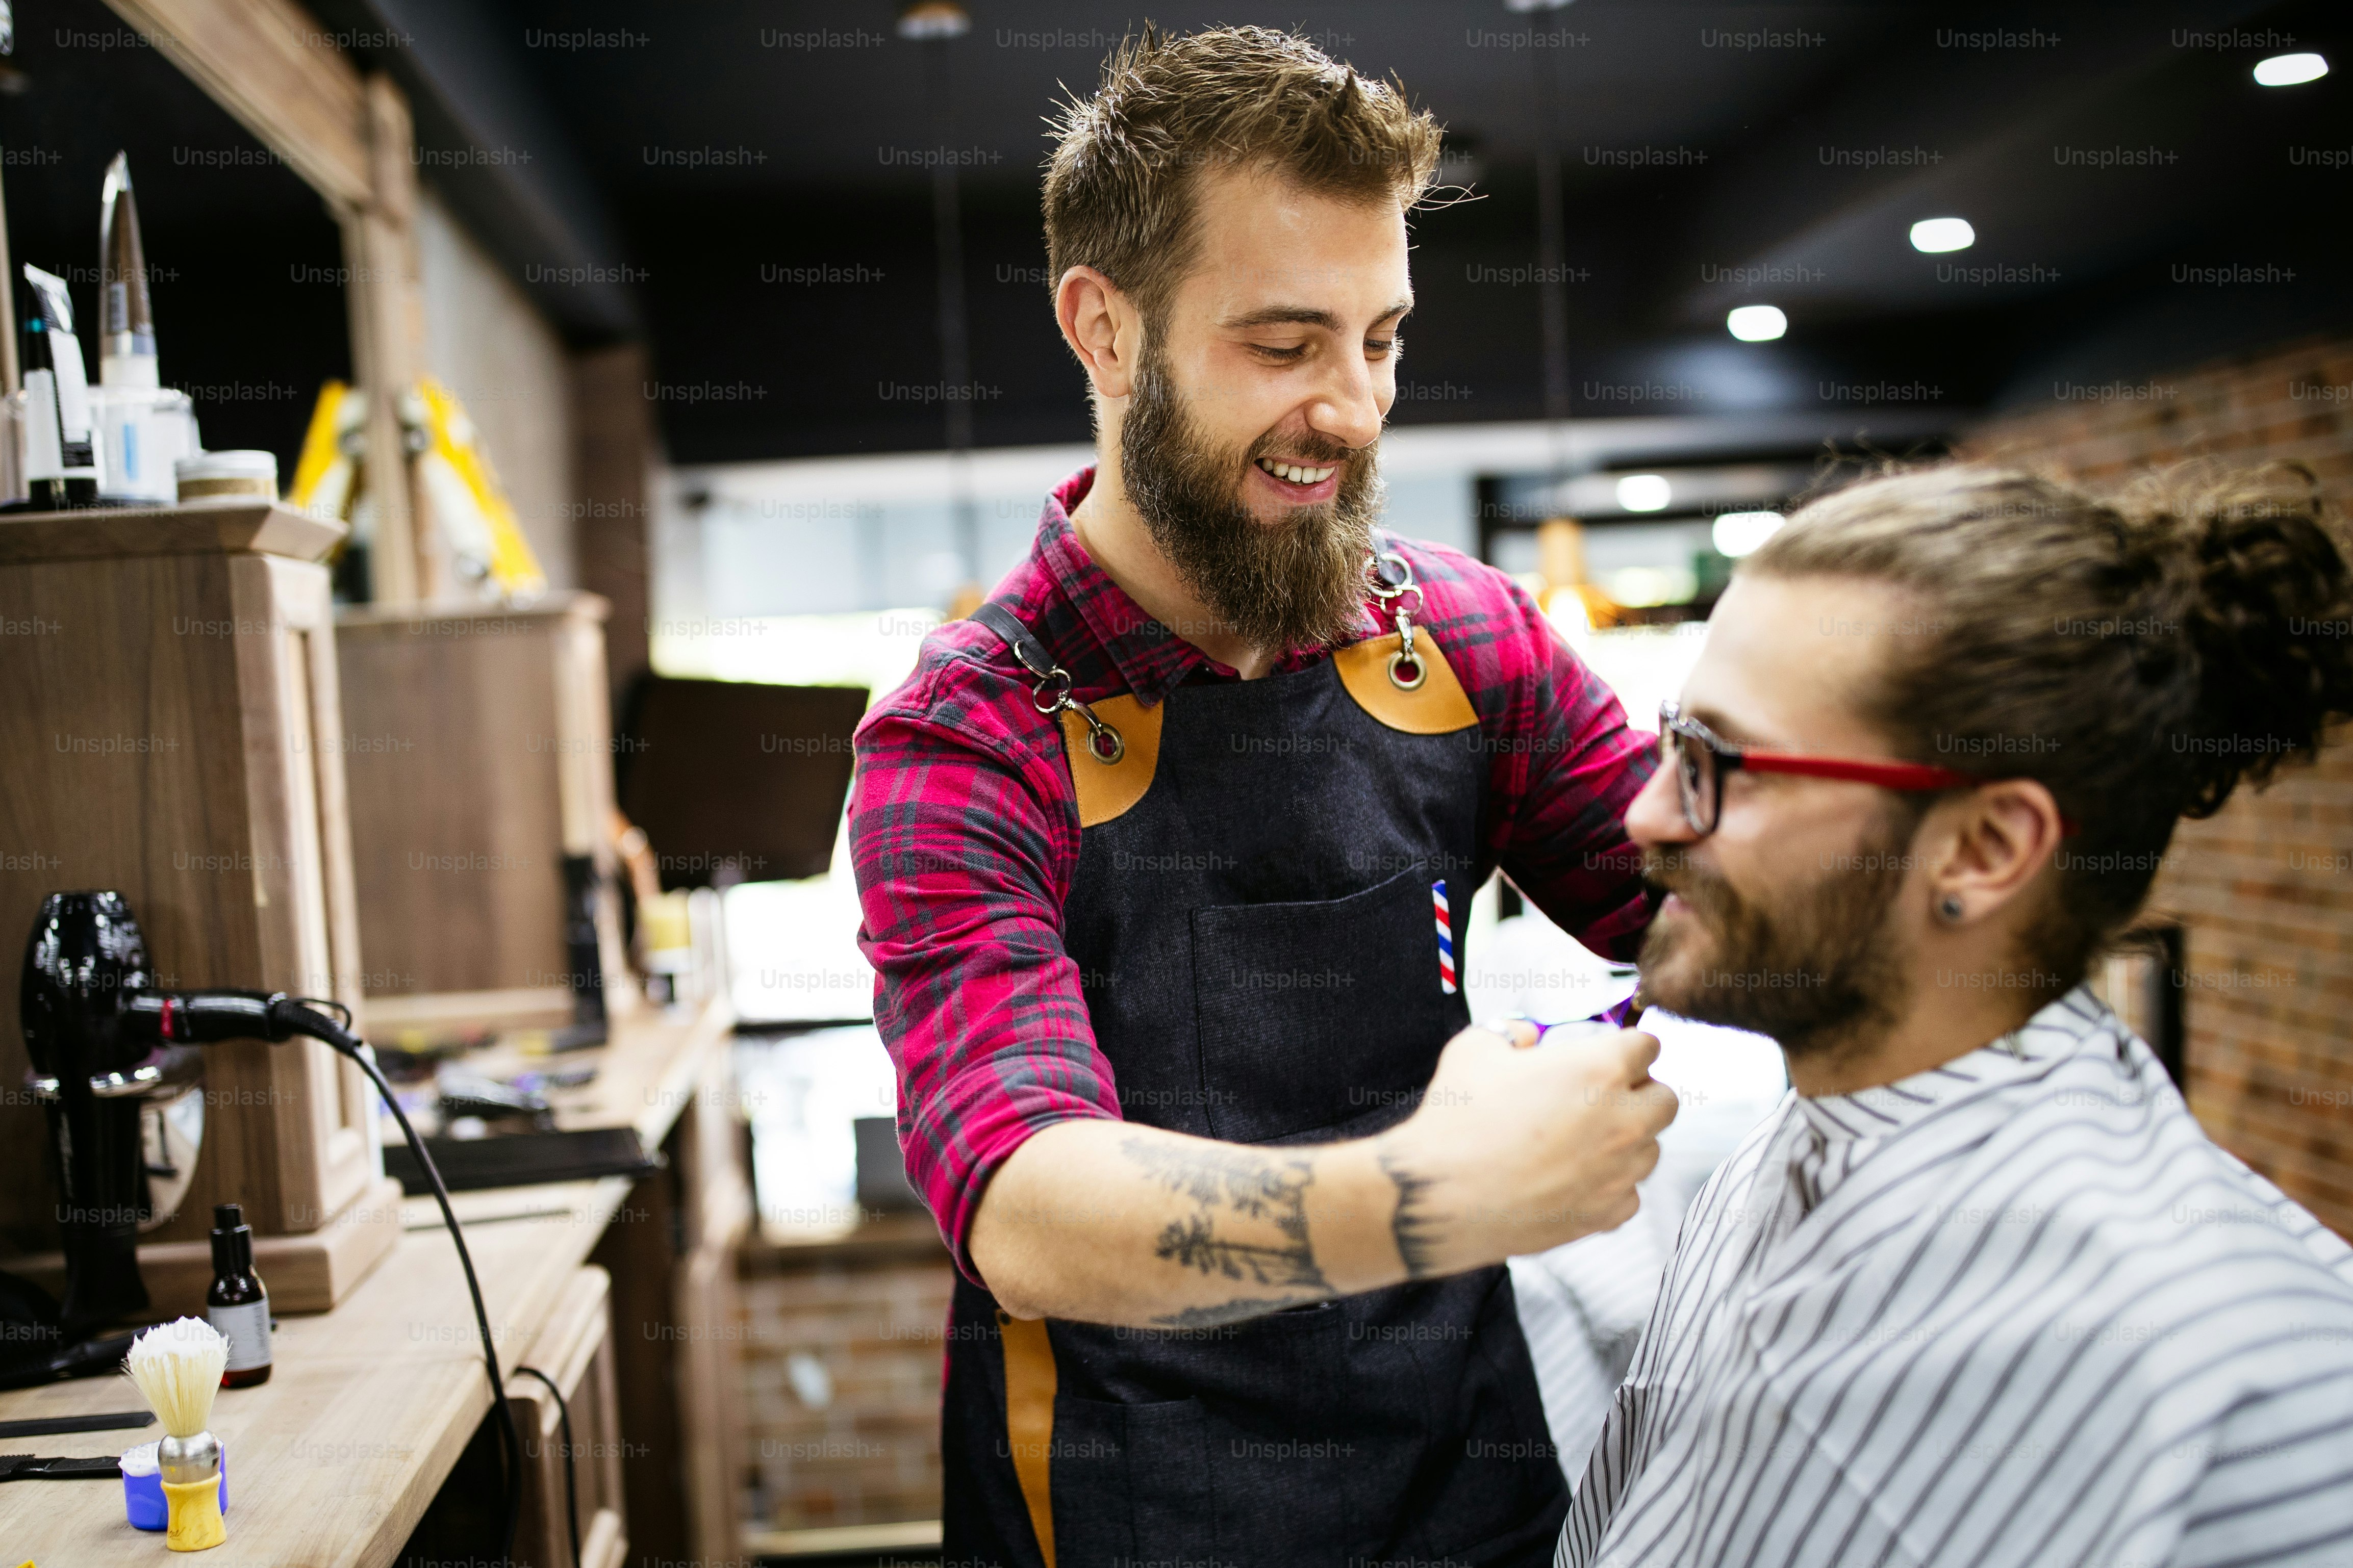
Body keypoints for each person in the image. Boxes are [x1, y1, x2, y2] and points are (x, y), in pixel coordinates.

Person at [850, 24, 1677, 1568]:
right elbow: (1021, 1201)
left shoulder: (1470, 642)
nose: (1352, 409)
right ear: (1102, 326)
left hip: (1466, 1490)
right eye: (1283, 346)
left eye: (1380, 341)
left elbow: (1705, 911)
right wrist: (1434, 1197)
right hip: (1124, 1511)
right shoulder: (965, 733)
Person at [1558, 461, 2353, 1568]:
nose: (1645, 814)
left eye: (1717, 765)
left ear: (1984, 850)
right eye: (1669, 743)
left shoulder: (2232, 1362)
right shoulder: (1767, 1167)